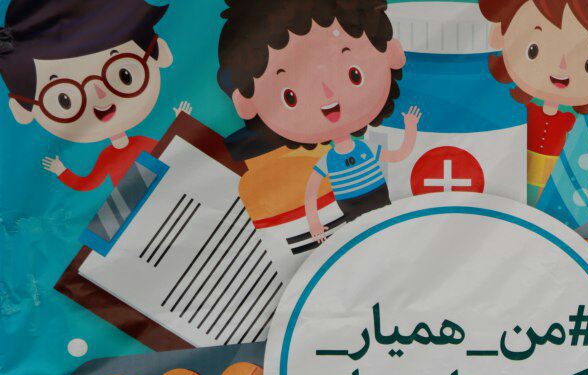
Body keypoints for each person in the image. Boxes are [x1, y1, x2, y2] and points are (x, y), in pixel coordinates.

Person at [216, 0, 422, 241]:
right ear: (246, 103)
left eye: (354, 74)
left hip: (382, 203)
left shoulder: (364, 150)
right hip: (352, 214)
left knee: (387, 232)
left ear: (392, 54)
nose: (328, 97)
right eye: (290, 96)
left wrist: (410, 128)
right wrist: (314, 221)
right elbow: (312, 190)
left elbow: (398, 155)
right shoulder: (332, 160)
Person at [478, 0, 588, 201]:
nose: (561, 69)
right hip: (509, 171)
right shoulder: (517, 116)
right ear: (500, 33)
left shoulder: (572, 124)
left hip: (551, 175)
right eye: (533, 50)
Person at [0, 0, 189, 192]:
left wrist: (182, 124)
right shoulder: (109, 156)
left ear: (159, 52)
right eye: (65, 100)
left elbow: (170, 150)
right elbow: (89, 183)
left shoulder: (139, 144)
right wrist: (61, 171)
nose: (101, 99)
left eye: (124, 75)